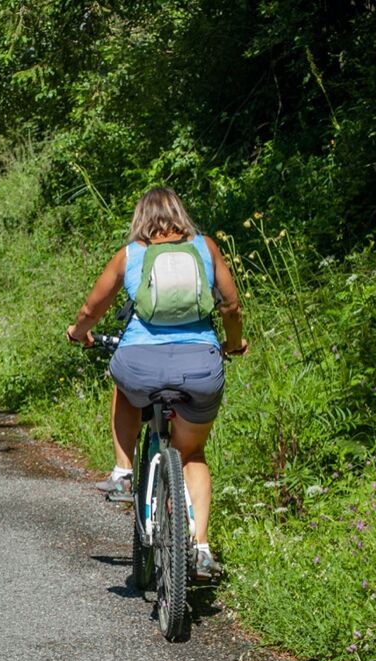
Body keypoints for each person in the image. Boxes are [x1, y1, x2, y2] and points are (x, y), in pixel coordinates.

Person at [65, 187, 247, 578]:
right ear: (181, 213)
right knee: (193, 455)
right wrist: (234, 344)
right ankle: (200, 548)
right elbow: (231, 306)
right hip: (200, 365)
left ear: (139, 218)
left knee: (124, 382)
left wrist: (79, 333)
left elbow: (90, 309)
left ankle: (123, 471)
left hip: (141, 364)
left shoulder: (129, 255)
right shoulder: (205, 248)